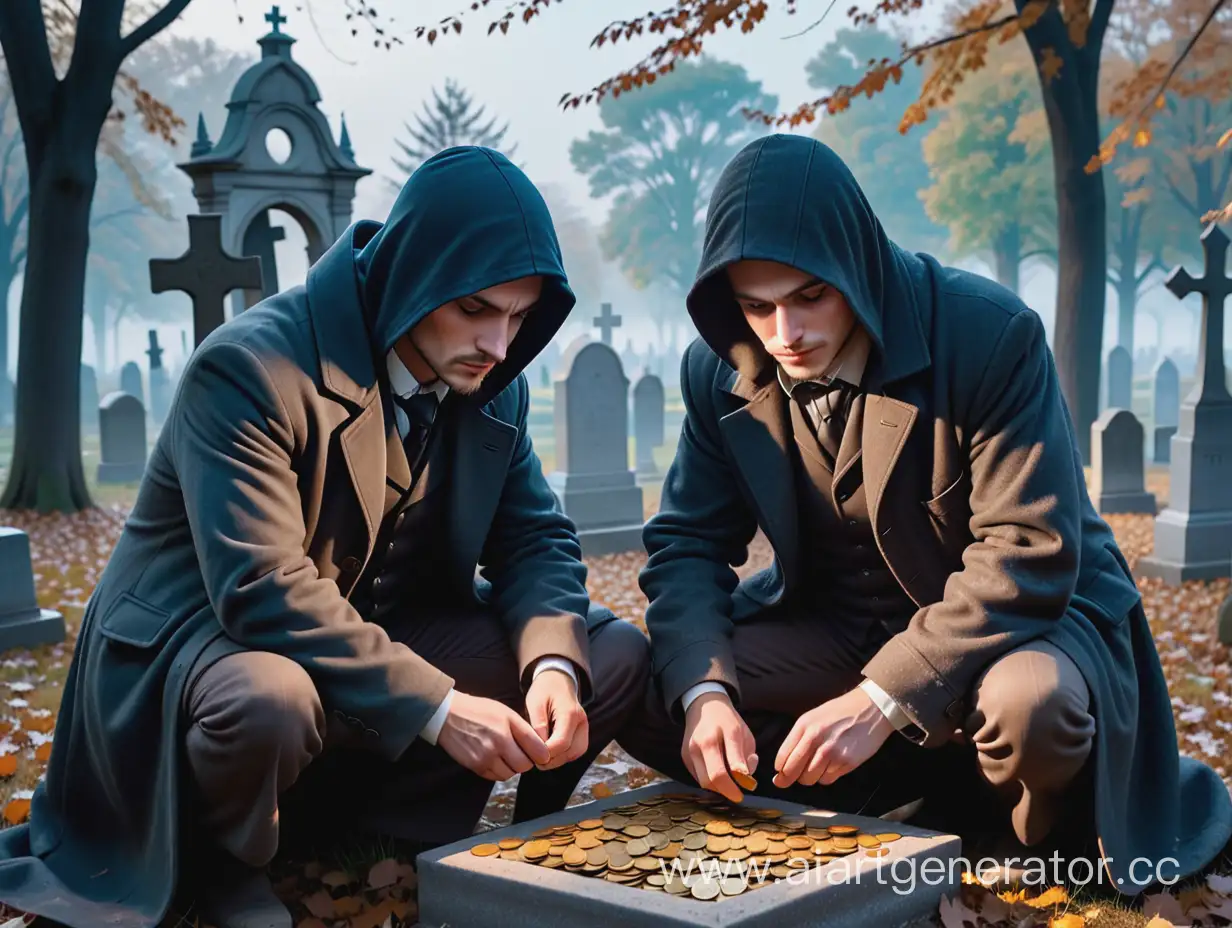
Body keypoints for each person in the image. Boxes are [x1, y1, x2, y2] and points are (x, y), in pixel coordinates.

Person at [0, 146, 649, 928]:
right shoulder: (250, 367)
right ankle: (227, 865)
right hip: (203, 642)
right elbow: (261, 588)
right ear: (416, 275)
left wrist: (550, 666)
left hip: (376, 632)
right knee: (272, 697)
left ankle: (424, 832)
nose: (500, 344)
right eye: (478, 309)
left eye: (520, 315)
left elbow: (537, 542)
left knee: (603, 654)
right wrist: (442, 707)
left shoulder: (489, 384)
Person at [617, 134, 1232, 891]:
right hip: (835, 623)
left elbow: (1027, 545)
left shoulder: (988, 333)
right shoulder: (719, 369)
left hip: (1024, 625)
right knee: (657, 682)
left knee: (1031, 708)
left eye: (810, 296)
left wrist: (880, 700)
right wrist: (707, 696)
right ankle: (870, 808)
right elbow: (685, 543)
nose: (786, 334)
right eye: (757, 307)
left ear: (856, 264)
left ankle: (1016, 837)